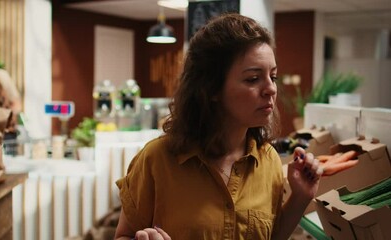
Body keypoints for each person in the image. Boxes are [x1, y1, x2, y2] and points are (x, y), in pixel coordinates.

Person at [114, 13, 354, 240]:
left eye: (273, 76)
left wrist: (301, 196)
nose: (271, 88)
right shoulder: (157, 160)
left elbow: (272, 235)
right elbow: (123, 234)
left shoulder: (268, 161)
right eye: (253, 78)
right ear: (212, 89)